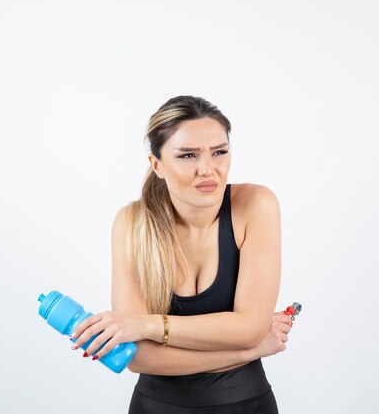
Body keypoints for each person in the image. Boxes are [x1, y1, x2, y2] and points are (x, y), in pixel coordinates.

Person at [69, 95, 292, 413]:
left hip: (246, 405)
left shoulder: (256, 205)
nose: (207, 169)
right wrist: (250, 349)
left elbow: (249, 327)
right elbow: (140, 358)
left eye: (220, 152)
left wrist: (146, 325)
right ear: (156, 165)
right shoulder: (131, 224)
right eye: (188, 155)